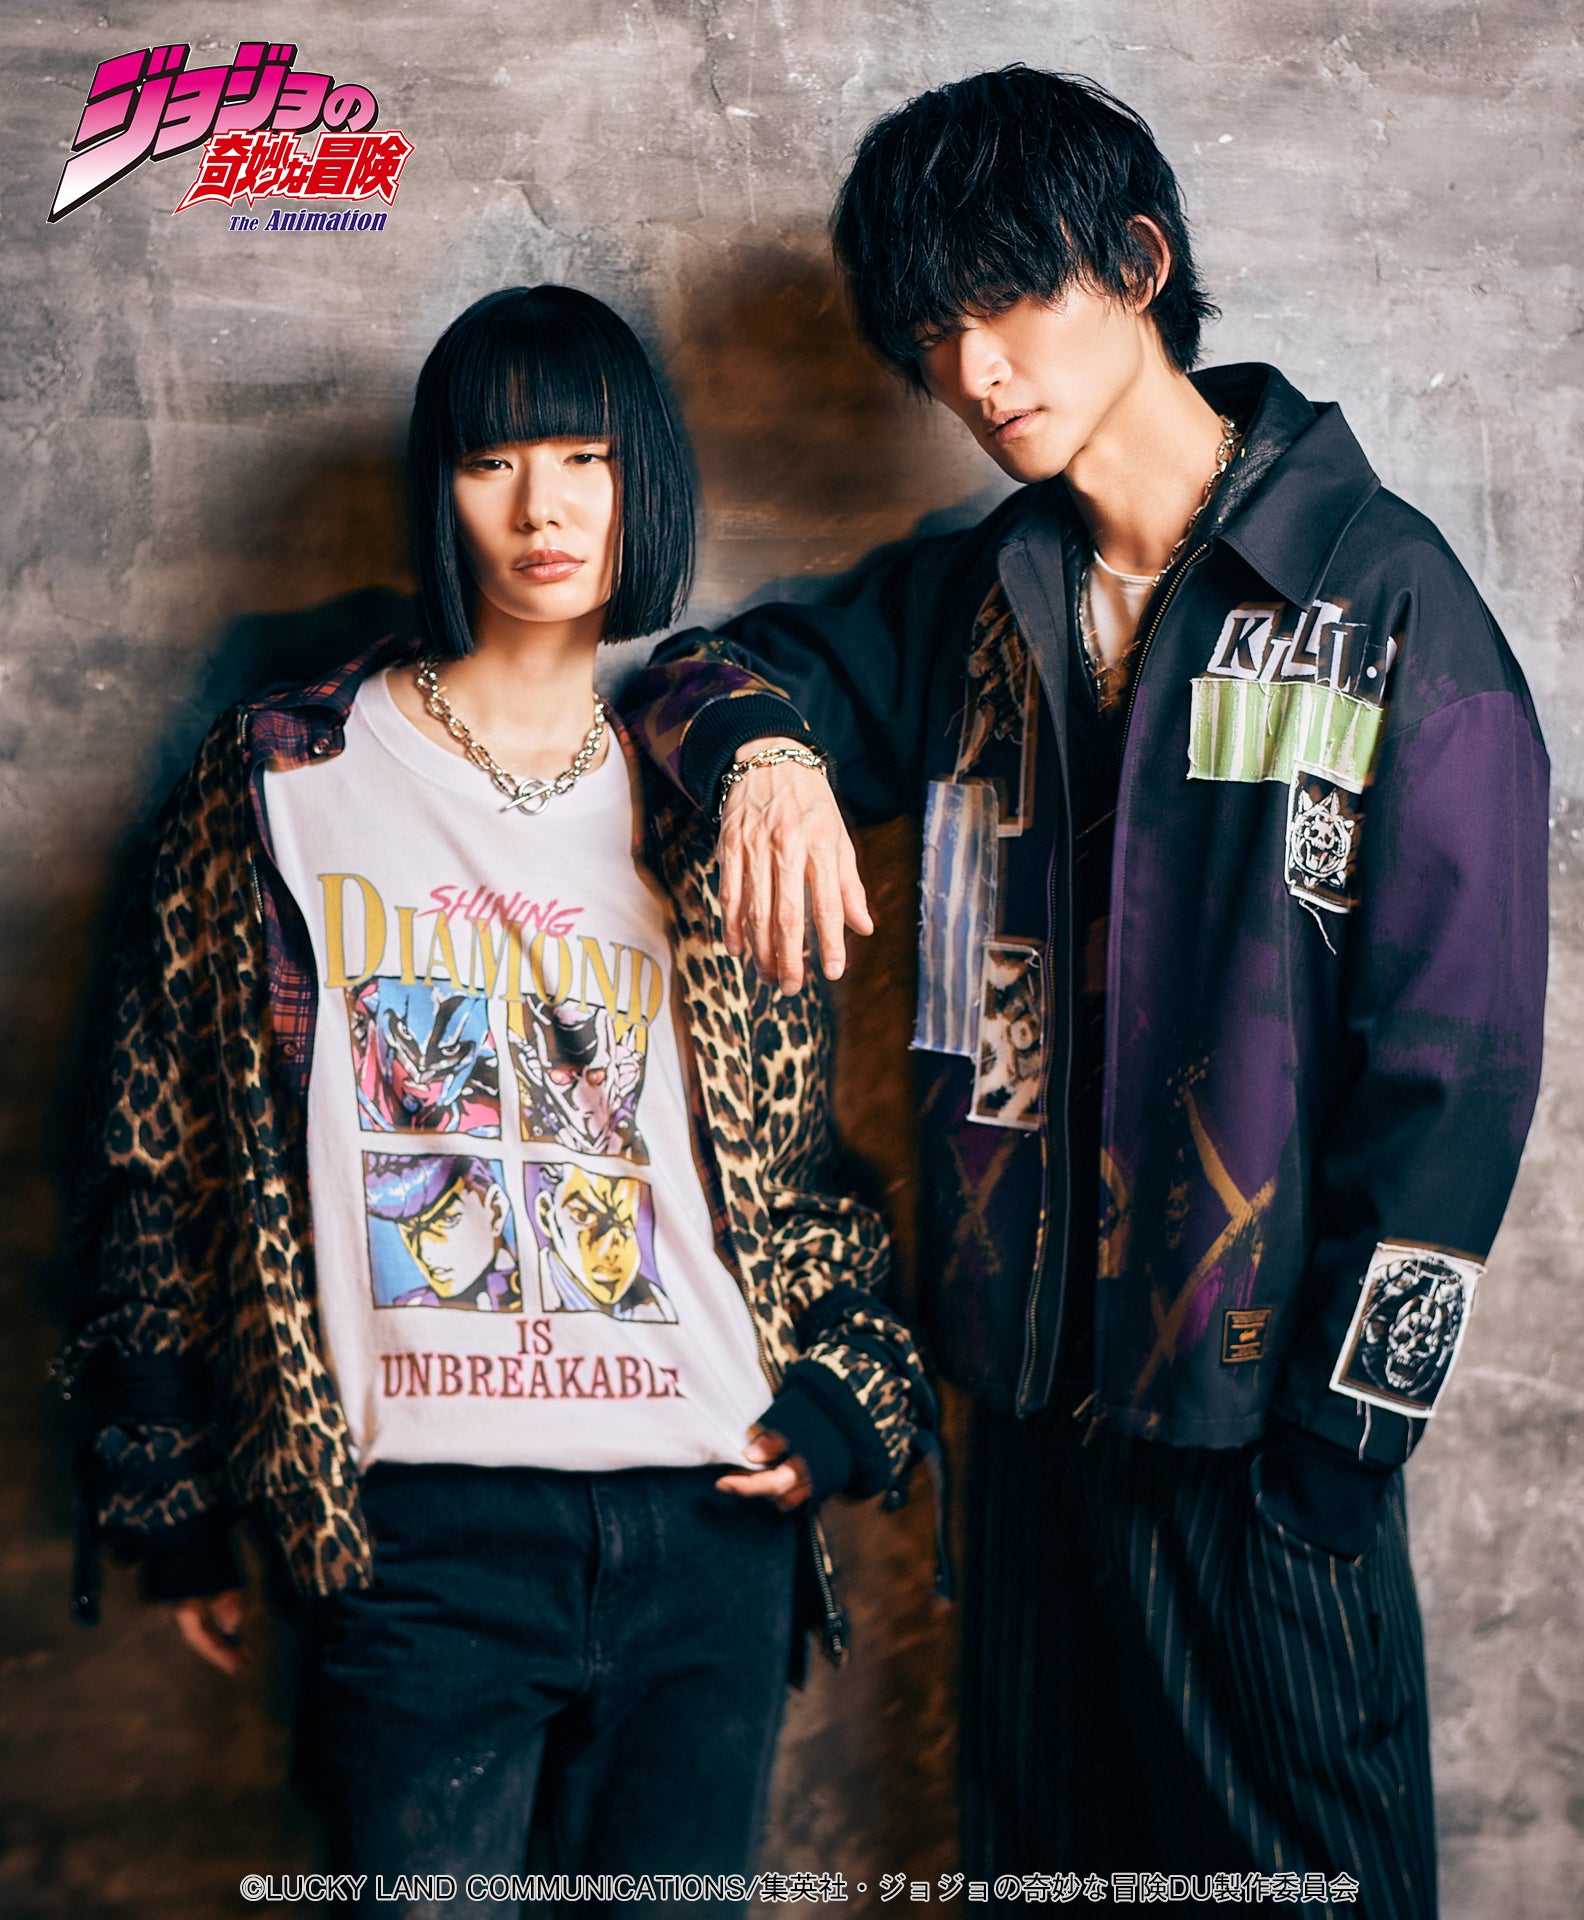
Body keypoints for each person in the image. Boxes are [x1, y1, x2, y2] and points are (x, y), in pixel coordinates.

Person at [619, 69, 1549, 1918]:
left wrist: (1333, 1459)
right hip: (1028, 1435)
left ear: (1137, 262)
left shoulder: (1382, 609)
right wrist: (769, 760)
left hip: (1256, 1458)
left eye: (1007, 300)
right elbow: (696, 678)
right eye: (932, 333)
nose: (974, 372)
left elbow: (1457, 1084)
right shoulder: (985, 597)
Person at [58, 284, 934, 1910]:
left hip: (708, 1521)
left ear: (641, 481)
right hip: (417, 1539)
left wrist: (841, 1402)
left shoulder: (706, 800)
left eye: (588, 458)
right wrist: (169, 1490)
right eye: (495, 461)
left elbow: (791, 1170)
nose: (545, 507)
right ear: (442, 490)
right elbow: (156, 1152)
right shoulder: (285, 780)